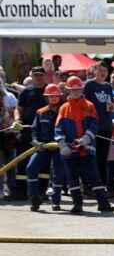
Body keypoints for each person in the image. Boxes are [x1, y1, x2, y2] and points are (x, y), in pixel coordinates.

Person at [54, 76, 114, 214]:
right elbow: (58, 128)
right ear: (68, 90)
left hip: (87, 149)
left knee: (94, 177)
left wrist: (86, 139)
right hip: (69, 150)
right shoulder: (64, 108)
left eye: (77, 89)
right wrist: (62, 144)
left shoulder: (89, 106)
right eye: (73, 90)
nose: (75, 92)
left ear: (81, 89)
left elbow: (94, 124)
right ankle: (77, 205)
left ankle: (103, 204)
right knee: (73, 179)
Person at [11, 66, 49, 201]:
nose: (38, 77)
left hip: (45, 132)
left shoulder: (49, 91)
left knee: (44, 162)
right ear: (32, 76)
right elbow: (18, 109)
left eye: (40, 75)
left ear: (45, 76)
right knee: (23, 160)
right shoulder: (26, 92)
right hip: (27, 131)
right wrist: (17, 119)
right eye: (36, 75)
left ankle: (42, 191)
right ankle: (22, 190)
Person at [26, 84, 65, 212]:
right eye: (51, 96)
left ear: (60, 97)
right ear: (47, 98)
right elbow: (34, 130)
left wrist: (61, 142)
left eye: (56, 96)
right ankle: (34, 198)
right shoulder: (40, 112)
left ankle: (56, 201)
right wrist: (36, 142)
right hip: (43, 146)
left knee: (57, 173)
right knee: (31, 168)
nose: (54, 98)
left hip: (59, 147)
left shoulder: (64, 112)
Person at [83, 61, 114, 185]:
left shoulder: (108, 86)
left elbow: (111, 103)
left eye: (105, 71)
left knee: (103, 157)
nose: (103, 73)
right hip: (93, 126)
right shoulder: (90, 84)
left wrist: (111, 106)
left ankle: (101, 185)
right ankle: (89, 184)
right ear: (95, 71)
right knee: (91, 157)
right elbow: (83, 104)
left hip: (106, 125)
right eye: (100, 70)